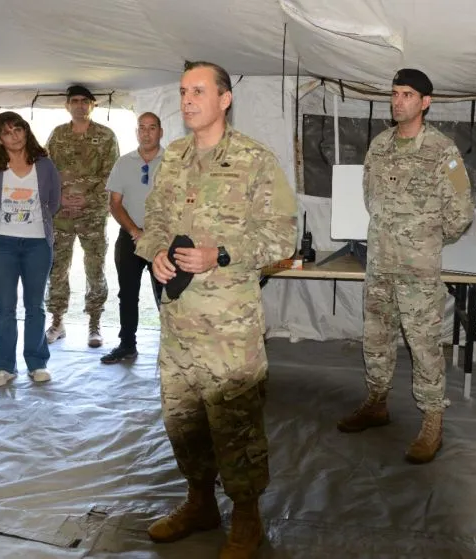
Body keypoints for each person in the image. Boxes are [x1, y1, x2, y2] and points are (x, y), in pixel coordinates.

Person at [134, 61, 297, 559]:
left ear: (224, 99)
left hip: (230, 327)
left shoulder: (255, 159)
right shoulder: (175, 155)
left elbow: (282, 238)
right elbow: (156, 221)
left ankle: (246, 517)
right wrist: (156, 253)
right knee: (182, 420)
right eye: (183, 91)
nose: (187, 100)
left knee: (236, 424)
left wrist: (220, 253)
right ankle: (200, 502)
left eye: (198, 91)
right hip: (178, 321)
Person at [336, 69, 474, 464]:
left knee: (423, 343)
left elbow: (460, 213)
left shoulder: (442, 152)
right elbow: (369, 197)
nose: (398, 102)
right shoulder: (379, 147)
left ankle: (433, 421)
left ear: (425, 102)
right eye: (395, 94)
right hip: (380, 264)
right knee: (376, 338)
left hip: (418, 269)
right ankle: (376, 402)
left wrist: (425, 238)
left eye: (408, 95)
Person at [0, 111, 61, 387]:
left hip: (37, 245)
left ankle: (37, 363)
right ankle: (3, 367)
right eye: (7, 132)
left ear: (26, 131)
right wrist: (0, 224)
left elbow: (54, 201)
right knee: (5, 307)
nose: (14, 136)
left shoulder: (44, 165)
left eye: (18, 129)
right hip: (0, 245)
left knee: (35, 306)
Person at [44, 85, 119, 347]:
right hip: (61, 214)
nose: (79, 105)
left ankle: (95, 323)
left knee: (95, 268)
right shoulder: (58, 135)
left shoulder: (106, 136)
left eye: (84, 101)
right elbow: (46, 172)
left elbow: (112, 174)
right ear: (67, 106)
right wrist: (60, 198)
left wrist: (88, 197)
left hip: (93, 215)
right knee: (57, 269)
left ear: (92, 105)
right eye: (74, 101)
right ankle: (57, 321)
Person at [100, 111, 165, 364]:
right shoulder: (123, 163)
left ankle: (173, 347)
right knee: (127, 293)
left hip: (162, 239)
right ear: (136, 132)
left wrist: (156, 233)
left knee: (167, 294)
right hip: (130, 237)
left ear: (160, 131)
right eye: (142, 128)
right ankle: (127, 344)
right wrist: (135, 232)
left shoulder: (174, 162)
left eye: (152, 127)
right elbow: (114, 204)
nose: (147, 133)